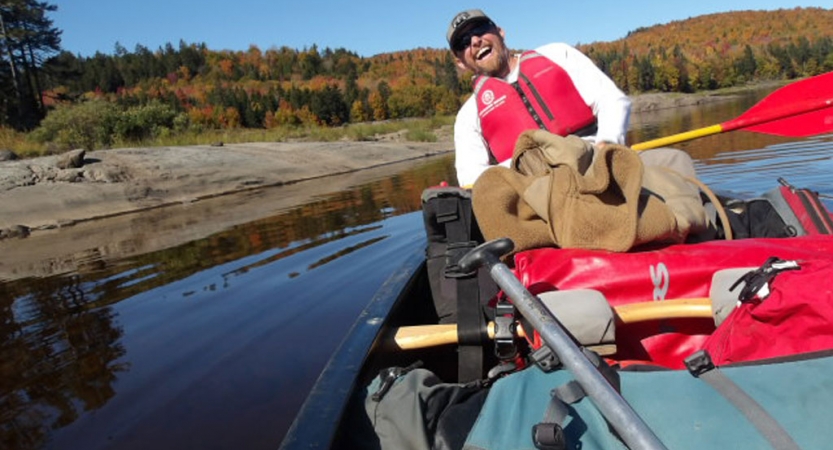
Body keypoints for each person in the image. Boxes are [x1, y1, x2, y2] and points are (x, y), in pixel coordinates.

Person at [447, 9, 632, 187]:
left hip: (596, 161)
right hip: (535, 192)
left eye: (480, 29)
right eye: (463, 42)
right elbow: (470, 177)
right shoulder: (467, 117)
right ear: (460, 62)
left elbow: (611, 100)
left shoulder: (558, 54)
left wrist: (607, 145)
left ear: (500, 32)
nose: (475, 41)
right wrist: (532, 168)